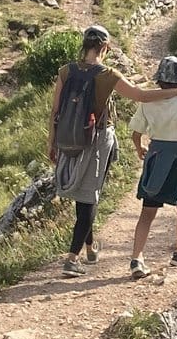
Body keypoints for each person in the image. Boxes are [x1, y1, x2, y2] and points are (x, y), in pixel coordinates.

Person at [48, 26, 164, 276]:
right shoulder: (108, 74)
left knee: (85, 196)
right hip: (97, 140)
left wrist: (52, 142)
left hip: (68, 138)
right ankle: (71, 259)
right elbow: (141, 96)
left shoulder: (66, 71)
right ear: (105, 48)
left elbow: (55, 112)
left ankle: (89, 247)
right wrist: (175, 92)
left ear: (84, 45)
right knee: (90, 195)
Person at [128, 56, 177, 278]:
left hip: (155, 158)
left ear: (160, 80)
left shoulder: (148, 101)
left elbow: (136, 133)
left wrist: (139, 148)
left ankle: (137, 258)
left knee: (147, 211)